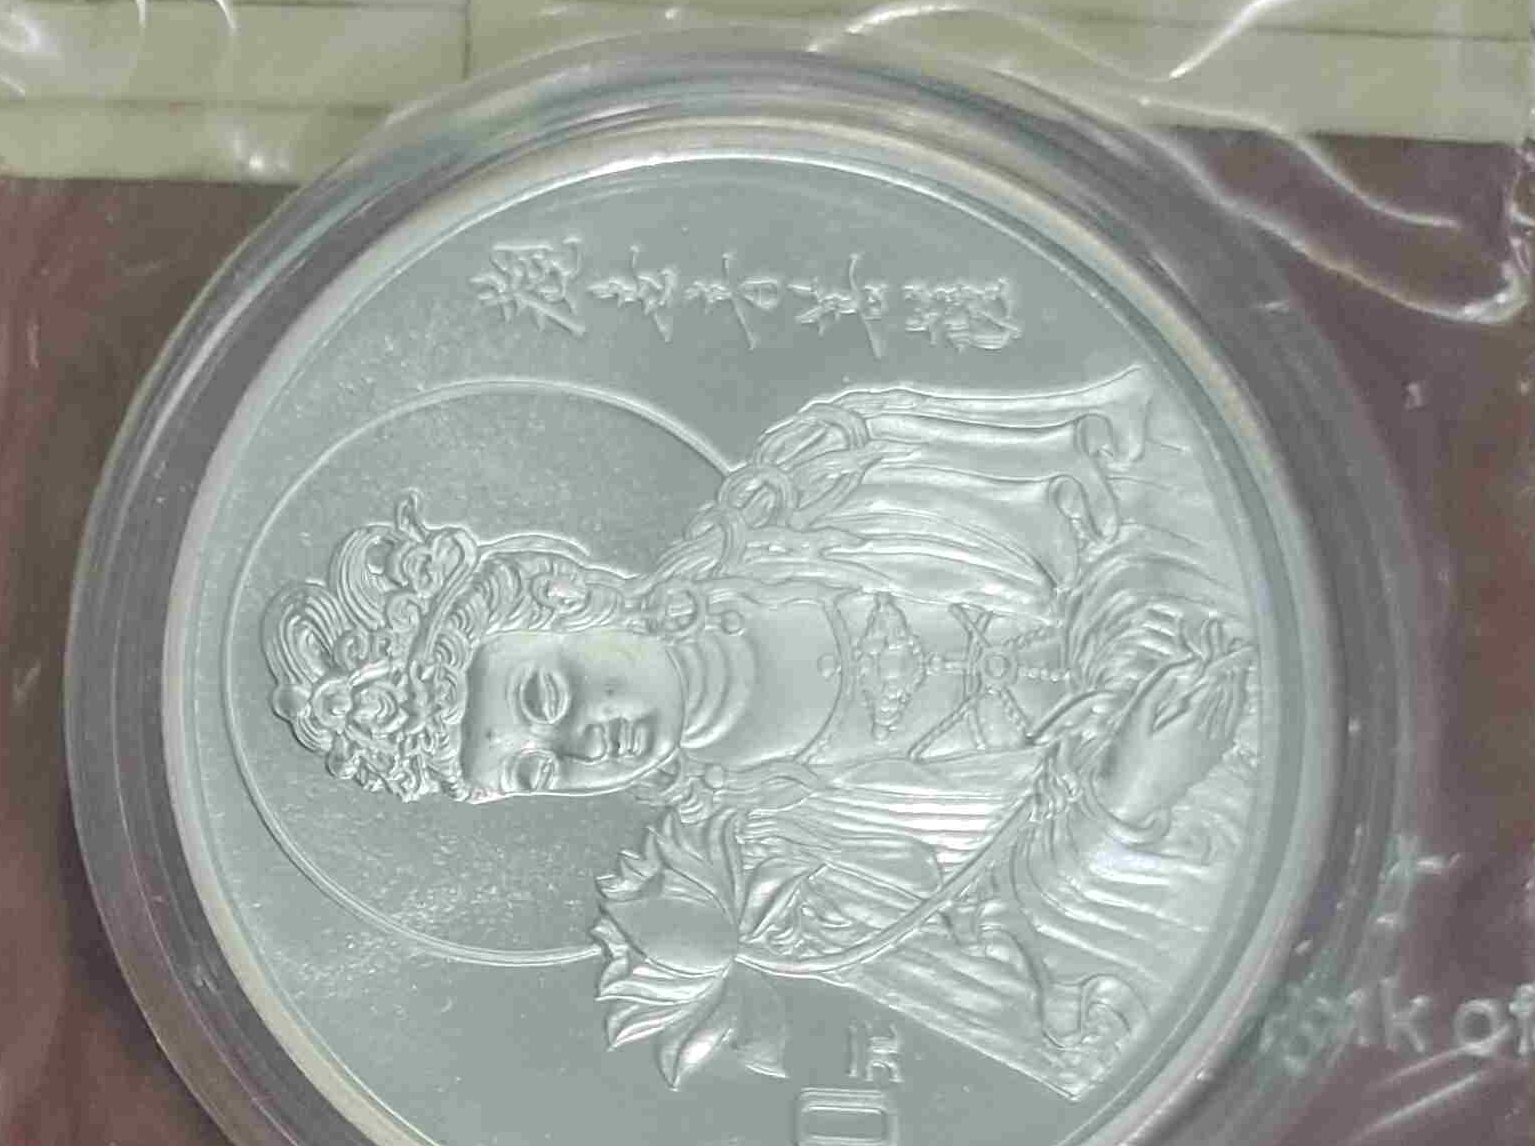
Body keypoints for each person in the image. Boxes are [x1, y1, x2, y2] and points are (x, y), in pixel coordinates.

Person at [264, 370, 1261, 1103]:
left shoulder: (830, 476)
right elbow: (1058, 990)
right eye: (532, 772)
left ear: (569, 596)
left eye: (543, 696)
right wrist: (1127, 801)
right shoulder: (771, 879)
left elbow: (1140, 453)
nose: (576, 749)